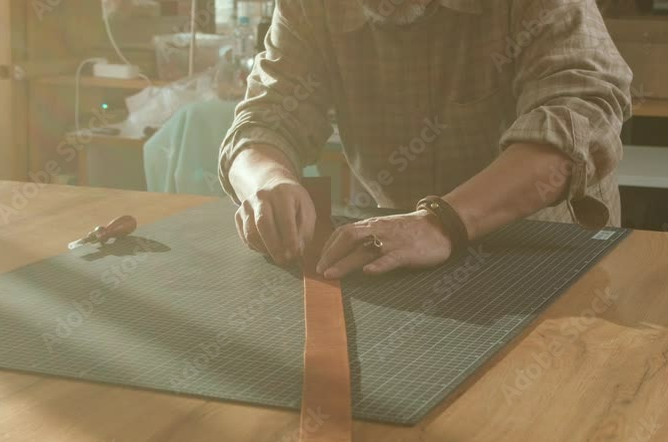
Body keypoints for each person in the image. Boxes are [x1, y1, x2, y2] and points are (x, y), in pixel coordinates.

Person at [218, 0, 633, 279]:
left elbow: (579, 117)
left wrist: (442, 222)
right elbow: (265, 119)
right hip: (398, 249)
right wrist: (267, 181)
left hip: (540, 249)